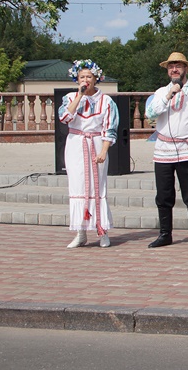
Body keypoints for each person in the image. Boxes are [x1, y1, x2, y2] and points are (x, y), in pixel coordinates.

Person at [145, 52, 188, 249]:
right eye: (171, 66)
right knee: (163, 195)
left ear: (186, 68)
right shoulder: (160, 92)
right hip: (163, 150)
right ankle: (165, 234)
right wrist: (169, 95)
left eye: (178, 66)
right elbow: (150, 114)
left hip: (187, 149)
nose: (174, 69)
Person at [58, 59, 119, 249]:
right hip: (76, 144)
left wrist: (104, 150)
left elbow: (110, 128)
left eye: (89, 77)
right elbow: (64, 118)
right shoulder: (70, 98)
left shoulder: (106, 101)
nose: (85, 80)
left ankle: (102, 231)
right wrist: (80, 96)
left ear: (96, 78)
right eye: (82, 77)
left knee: (98, 187)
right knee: (78, 186)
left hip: (96, 142)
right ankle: (81, 233)